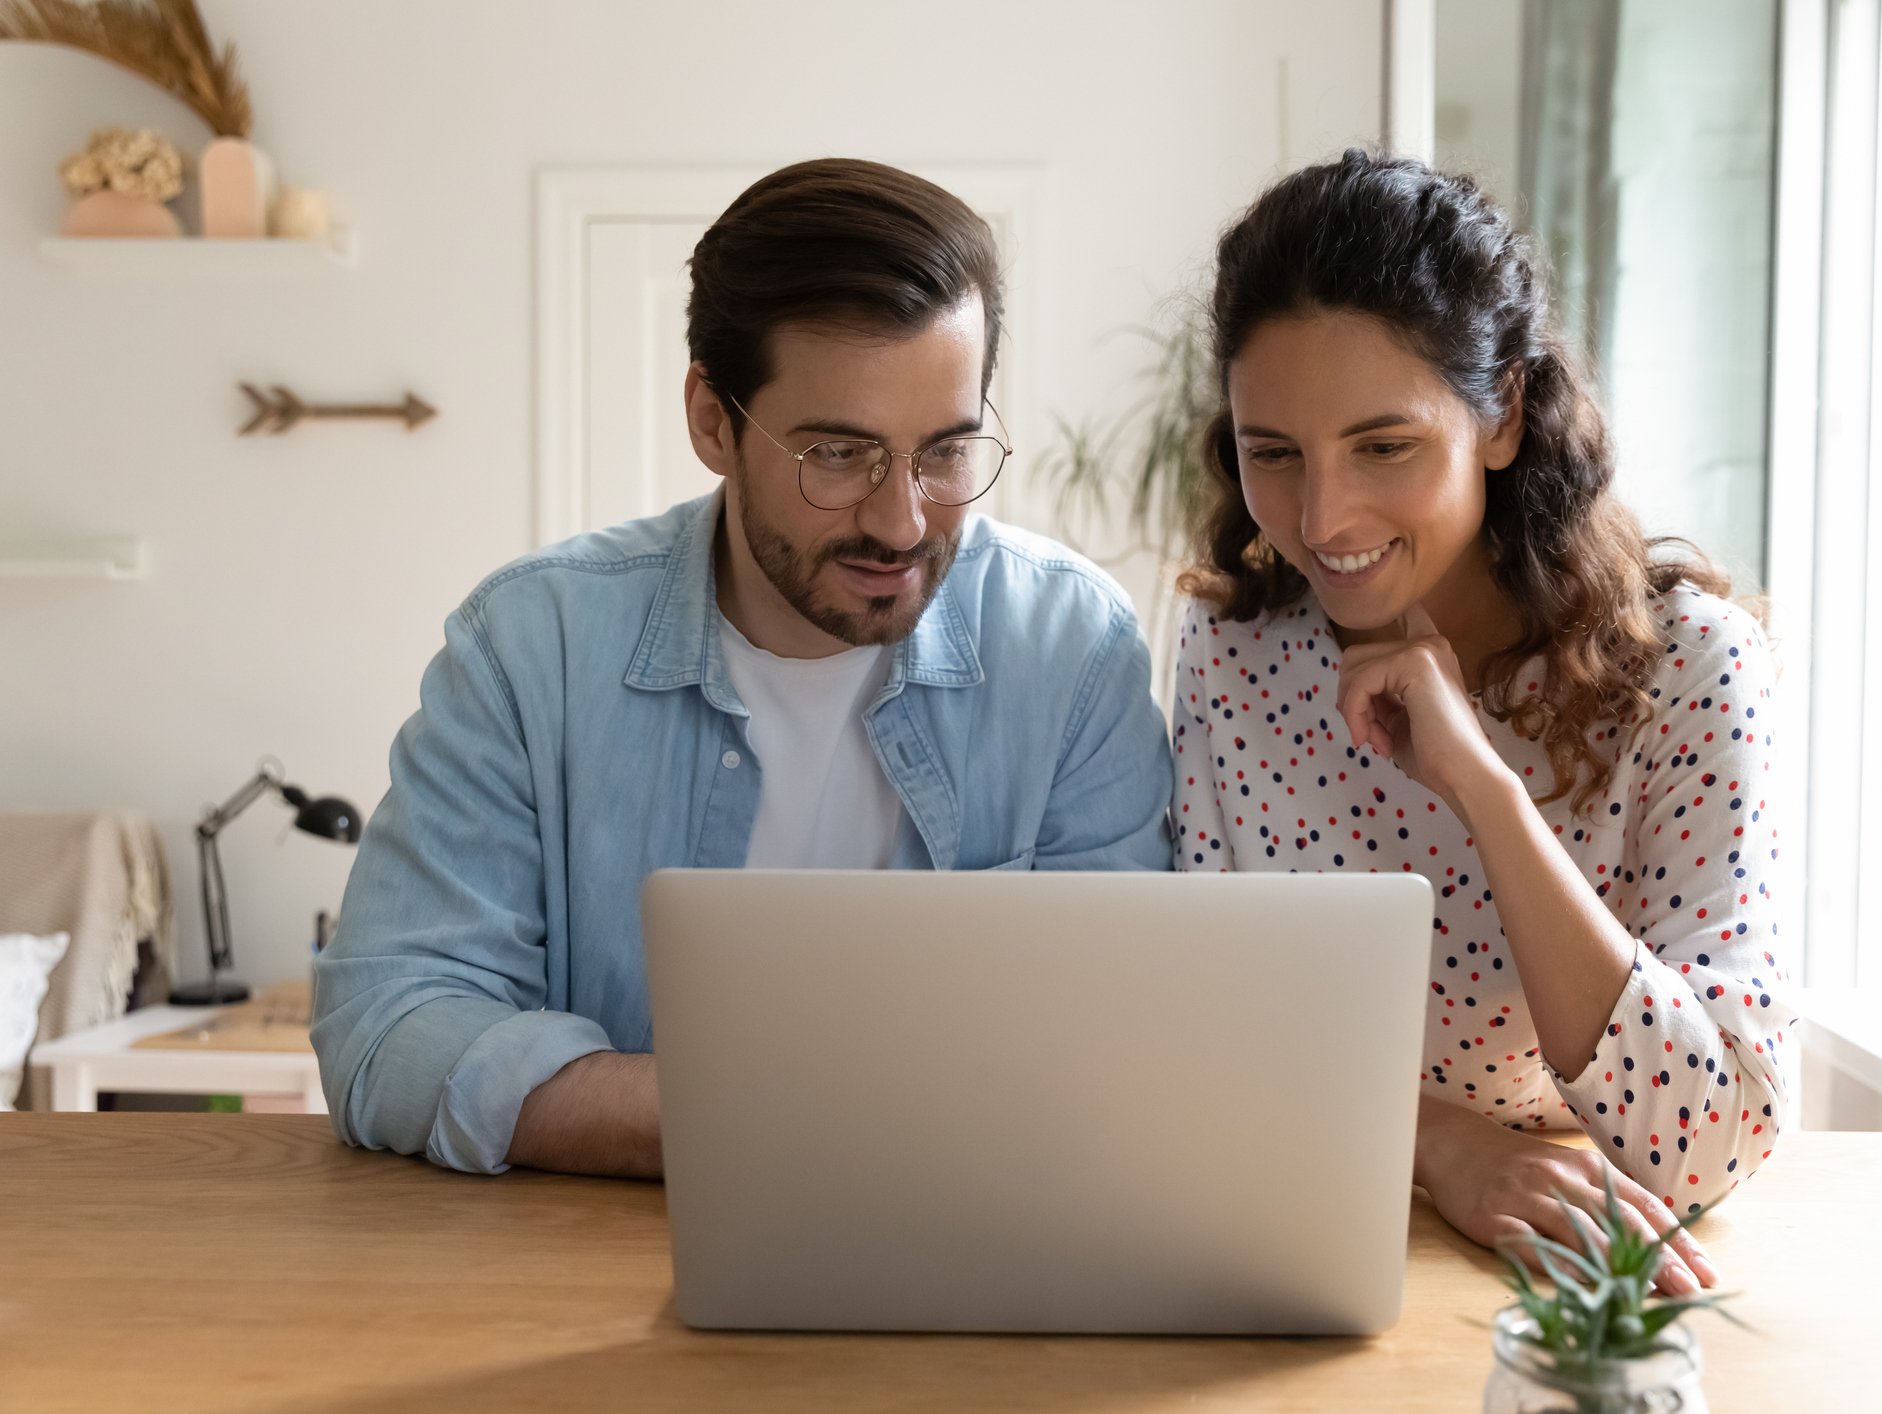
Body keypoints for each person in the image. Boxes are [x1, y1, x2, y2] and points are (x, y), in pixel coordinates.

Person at [314, 158, 1173, 1180]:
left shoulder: (1071, 649)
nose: (902, 522)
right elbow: (389, 1023)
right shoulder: (530, 646)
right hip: (604, 1257)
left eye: (945, 451)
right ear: (712, 421)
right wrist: (757, 1122)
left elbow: (1128, 1039)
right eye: (838, 455)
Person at [1171, 150, 1795, 1296]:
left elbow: (1710, 1141)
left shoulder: (1694, 668)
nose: (1324, 517)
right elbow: (1207, 1034)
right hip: (1309, 1239)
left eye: (1384, 445)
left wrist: (1486, 791)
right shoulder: (1233, 654)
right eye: (1275, 454)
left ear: (1501, 412)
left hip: (1580, 1276)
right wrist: (1440, 1143)